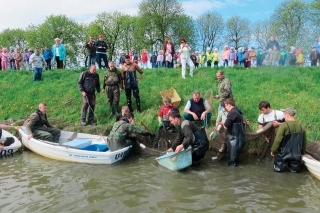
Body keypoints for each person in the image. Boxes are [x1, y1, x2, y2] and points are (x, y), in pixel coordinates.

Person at [271, 108, 306, 173]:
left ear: (287, 115)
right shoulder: (301, 127)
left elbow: (278, 140)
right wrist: (302, 152)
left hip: (283, 154)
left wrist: (273, 150)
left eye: (284, 115)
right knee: (295, 173)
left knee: (278, 172)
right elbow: (303, 143)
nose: (284, 117)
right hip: (296, 154)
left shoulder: (284, 126)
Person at [222, 98, 246, 166]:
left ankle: (232, 174)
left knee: (232, 162)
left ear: (229, 105)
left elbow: (226, 126)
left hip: (234, 141)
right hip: (240, 139)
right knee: (236, 160)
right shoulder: (238, 111)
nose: (225, 108)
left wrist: (223, 123)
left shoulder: (232, 113)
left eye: (225, 106)